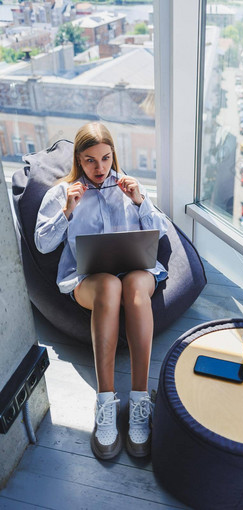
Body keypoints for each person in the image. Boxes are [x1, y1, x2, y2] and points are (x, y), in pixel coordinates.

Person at [34, 122, 168, 460]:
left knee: (135, 283)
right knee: (110, 284)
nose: (100, 167)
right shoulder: (61, 193)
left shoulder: (129, 186)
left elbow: (160, 234)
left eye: (106, 158)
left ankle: (140, 399)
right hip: (90, 280)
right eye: (91, 160)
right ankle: (105, 402)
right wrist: (67, 211)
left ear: (113, 155)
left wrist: (139, 202)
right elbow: (43, 244)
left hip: (136, 270)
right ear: (79, 159)